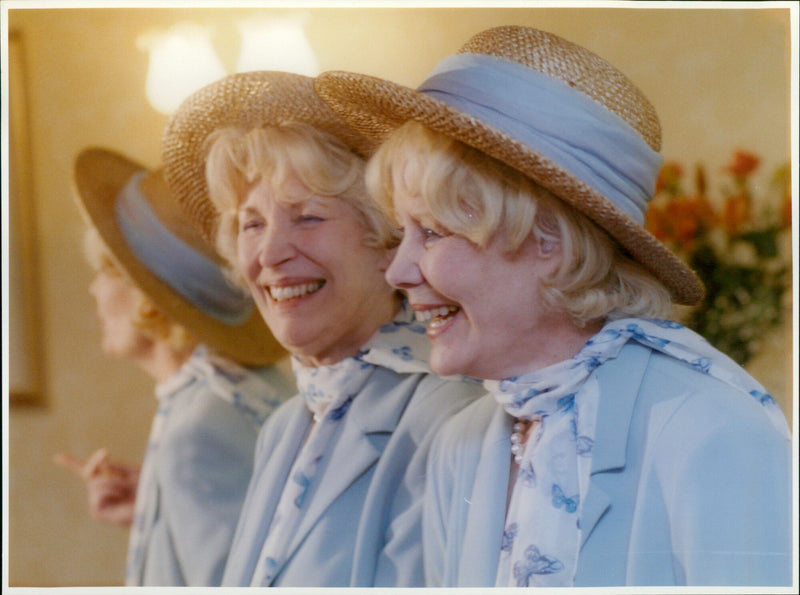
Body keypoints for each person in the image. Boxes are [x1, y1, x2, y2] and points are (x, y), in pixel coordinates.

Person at [313, 25, 793, 587]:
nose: (397, 271)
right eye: (403, 233)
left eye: (434, 233)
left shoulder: (713, 431)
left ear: (549, 242)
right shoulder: (460, 445)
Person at [160, 70, 483, 588]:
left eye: (307, 217)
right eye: (252, 224)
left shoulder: (448, 415)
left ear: (385, 240)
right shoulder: (285, 426)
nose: (270, 253)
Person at [55, 148, 294, 586]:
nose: (93, 290)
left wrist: (179, 481)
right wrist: (156, 504)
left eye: (106, 273)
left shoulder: (196, 433)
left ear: (148, 297)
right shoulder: (239, 391)